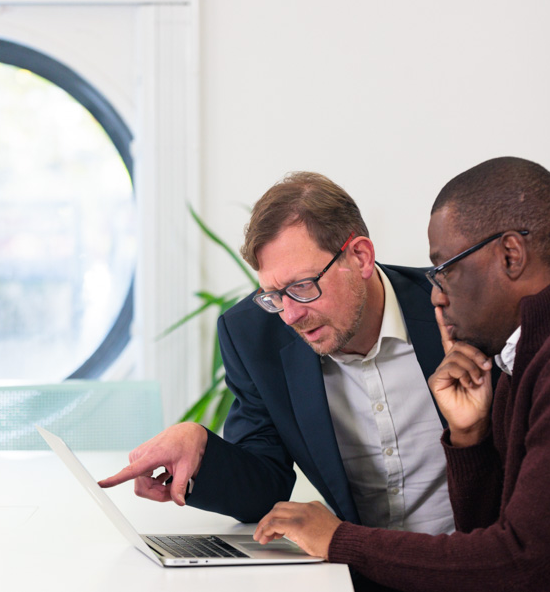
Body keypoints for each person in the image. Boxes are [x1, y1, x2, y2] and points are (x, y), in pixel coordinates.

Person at [253, 157, 550, 592]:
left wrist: (339, 540)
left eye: (445, 269)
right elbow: (491, 540)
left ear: (511, 255)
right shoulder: (530, 351)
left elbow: (520, 566)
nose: (435, 295)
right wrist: (469, 437)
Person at [100, 172, 455, 537]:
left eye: (303, 286)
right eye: (273, 294)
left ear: (360, 257)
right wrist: (201, 446)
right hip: (355, 569)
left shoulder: (455, 306)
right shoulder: (252, 335)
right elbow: (265, 486)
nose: (290, 315)